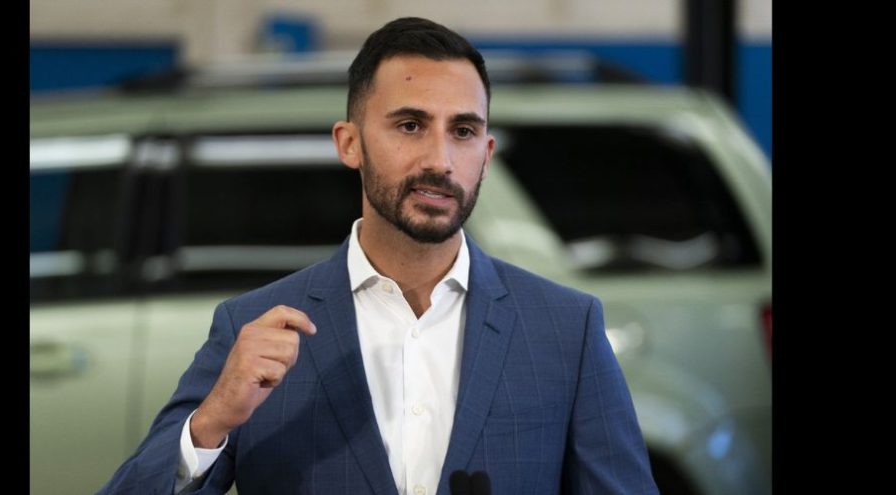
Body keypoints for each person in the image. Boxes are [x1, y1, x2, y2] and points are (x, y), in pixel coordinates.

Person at [97, 17, 658, 495]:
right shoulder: (251, 327)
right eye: (410, 125)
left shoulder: (566, 330)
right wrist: (212, 421)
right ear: (349, 143)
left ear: (485, 155)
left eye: (462, 131)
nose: (439, 158)